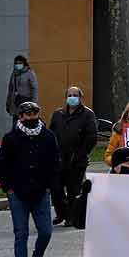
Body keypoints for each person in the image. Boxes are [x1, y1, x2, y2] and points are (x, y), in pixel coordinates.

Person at [0, 100, 59, 257]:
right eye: (28, 114)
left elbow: (55, 163)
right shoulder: (11, 138)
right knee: (20, 235)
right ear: (20, 117)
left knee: (46, 232)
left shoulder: (48, 136)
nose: (32, 117)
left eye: (35, 114)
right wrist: (8, 189)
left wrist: (49, 187)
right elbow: (2, 165)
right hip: (18, 194)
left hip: (41, 193)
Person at [48, 86, 97, 225]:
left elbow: (91, 137)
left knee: (73, 190)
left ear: (80, 98)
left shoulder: (88, 114)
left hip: (77, 159)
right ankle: (61, 212)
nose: (72, 97)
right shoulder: (58, 114)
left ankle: (71, 216)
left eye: (75, 95)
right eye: (70, 95)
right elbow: (51, 133)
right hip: (58, 158)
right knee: (56, 188)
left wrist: (80, 154)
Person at [5, 54, 38, 119]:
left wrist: (34, 104)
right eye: (16, 63)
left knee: (26, 123)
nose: (18, 65)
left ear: (24, 63)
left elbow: (35, 89)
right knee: (16, 124)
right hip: (15, 104)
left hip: (27, 105)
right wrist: (8, 104)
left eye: (20, 63)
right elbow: (10, 90)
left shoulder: (30, 73)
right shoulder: (14, 74)